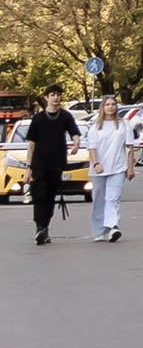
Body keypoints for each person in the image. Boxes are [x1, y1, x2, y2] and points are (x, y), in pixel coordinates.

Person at [27, 90, 75, 247]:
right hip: (39, 163)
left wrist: (77, 143)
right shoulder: (38, 118)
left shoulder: (66, 116)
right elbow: (31, 144)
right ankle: (39, 227)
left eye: (58, 94)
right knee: (39, 194)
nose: (56, 97)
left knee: (50, 196)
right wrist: (28, 167)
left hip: (57, 163)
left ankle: (45, 227)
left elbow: (74, 133)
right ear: (46, 97)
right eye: (52, 95)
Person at [86, 99, 135, 245]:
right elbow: (92, 148)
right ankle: (99, 231)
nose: (110, 107)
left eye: (113, 104)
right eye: (107, 105)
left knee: (112, 199)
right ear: (102, 107)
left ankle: (113, 227)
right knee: (99, 200)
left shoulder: (124, 125)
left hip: (118, 167)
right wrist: (96, 163)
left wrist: (130, 167)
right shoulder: (95, 127)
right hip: (99, 169)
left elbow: (130, 147)